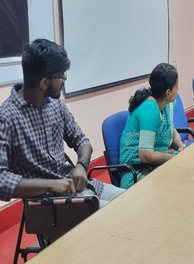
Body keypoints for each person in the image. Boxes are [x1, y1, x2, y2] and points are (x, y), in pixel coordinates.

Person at [0, 39, 124, 206]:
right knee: (118, 214)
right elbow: (1, 180)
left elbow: (82, 141)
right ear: (44, 82)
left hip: (79, 187)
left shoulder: (56, 105)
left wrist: (81, 165)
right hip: (48, 203)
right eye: (61, 76)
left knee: (132, 200)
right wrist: (50, 185)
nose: (64, 80)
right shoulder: (6, 118)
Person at [119, 63, 185, 188]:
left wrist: (182, 147)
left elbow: (171, 131)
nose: (178, 89)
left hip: (154, 165)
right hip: (137, 171)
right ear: (167, 92)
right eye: (176, 86)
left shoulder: (166, 105)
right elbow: (146, 155)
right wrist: (174, 157)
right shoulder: (150, 109)